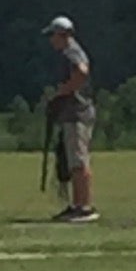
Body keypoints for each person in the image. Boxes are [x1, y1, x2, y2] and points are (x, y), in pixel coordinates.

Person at [44, 15, 98, 222]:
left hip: (78, 113)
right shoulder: (69, 52)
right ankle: (77, 204)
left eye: (53, 35)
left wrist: (63, 92)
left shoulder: (72, 53)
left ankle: (84, 206)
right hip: (72, 114)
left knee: (78, 161)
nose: (51, 40)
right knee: (74, 160)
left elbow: (82, 73)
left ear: (62, 35)